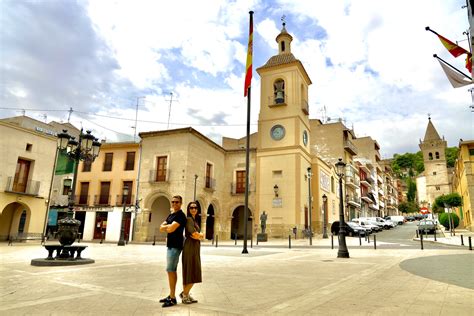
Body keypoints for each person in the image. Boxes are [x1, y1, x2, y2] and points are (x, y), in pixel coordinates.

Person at [159, 195, 187, 308]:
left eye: (177, 202)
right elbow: (161, 227)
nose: (174, 204)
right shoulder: (171, 215)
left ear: (181, 203)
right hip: (170, 245)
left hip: (176, 246)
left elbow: (170, 228)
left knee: (171, 270)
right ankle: (171, 295)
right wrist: (167, 226)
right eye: (173, 202)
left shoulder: (181, 216)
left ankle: (172, 298)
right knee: (170, 270)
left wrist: (167, 226)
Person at [180, 201, 203, 304]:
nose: (193, 209)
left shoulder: (194, 220)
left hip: (193, 248)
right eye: (191, 208)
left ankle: (186, 294)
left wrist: (199, 235)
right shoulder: (189, 220)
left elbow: (196, 235)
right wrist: (201, 235)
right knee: (193, 272)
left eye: (195, 208)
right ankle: (184, 294)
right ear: (188, 210)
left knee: (190, 273)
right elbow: (193, 234)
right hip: (190, 249)